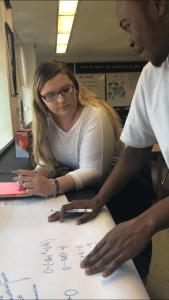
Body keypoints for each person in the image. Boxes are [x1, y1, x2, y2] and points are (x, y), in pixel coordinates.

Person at [52, 0, 169, 284]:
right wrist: (98, 199)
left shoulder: (94, 115)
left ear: (158, 5)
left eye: (128, 27)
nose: (128, 41)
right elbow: (136, 149)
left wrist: (146, 222)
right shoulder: (152, 76)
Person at [13, 60, 125, 198]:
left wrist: (52, 186)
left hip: (121, 191)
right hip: (90, 190)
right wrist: (33, 179)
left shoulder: (95, 115)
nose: (61, 100)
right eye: (50, 95)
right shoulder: (45, 122)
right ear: (41, 100)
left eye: (65, 90)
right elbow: (49, 164)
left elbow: (92, 170)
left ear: (75, 86)